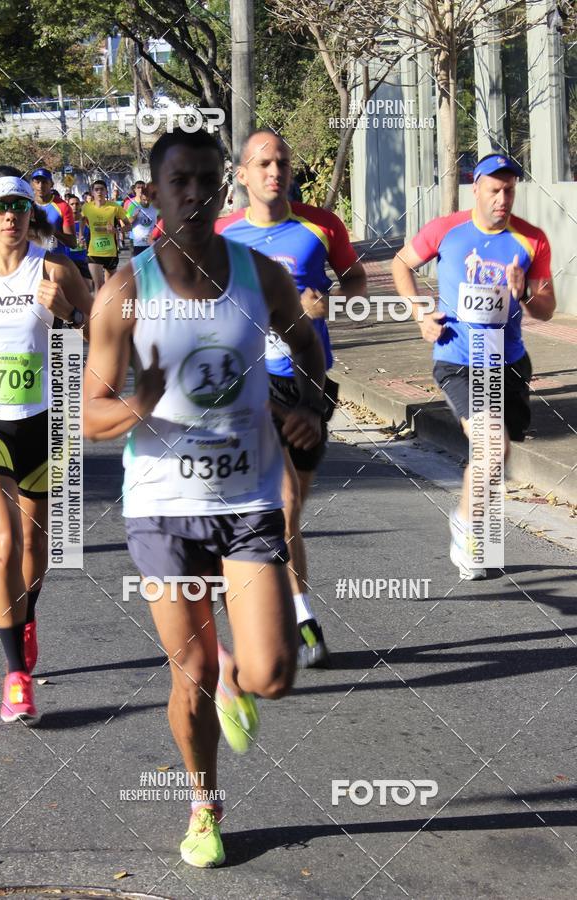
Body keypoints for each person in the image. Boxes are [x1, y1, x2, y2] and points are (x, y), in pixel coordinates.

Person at [83, 128, 325, 867]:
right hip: (162, 506)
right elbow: (91, 412)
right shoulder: (127, 291)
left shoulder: (261, 275)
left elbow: (306, 345)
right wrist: (139, 406)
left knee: (272, 677)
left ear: (222, 189)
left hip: (248, 498)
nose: (191, 193)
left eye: (204, 180)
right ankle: (203, 804)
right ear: (153, 194)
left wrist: (311, 406)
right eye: (177, 181)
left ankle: (236, 682)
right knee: (191, 678)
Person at [216, 129, 367, 667]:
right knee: (280, 503)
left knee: (291, 509)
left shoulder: (319, 227)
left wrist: (328, 303)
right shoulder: (222, 234)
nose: (274, 172)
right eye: (263, 164)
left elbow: (356, 283)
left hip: (309, 381)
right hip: (248, 385)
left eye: (281, 162)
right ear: (242, 175)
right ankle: (300, 619)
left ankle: (270, 593)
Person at [392, 152, 555, 579]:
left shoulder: (532, 239)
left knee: (495, 454)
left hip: (510, 362)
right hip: (457, 359)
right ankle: (470, 531)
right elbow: (401, 263)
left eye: (510, 191)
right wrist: (419, 313)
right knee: (491, 447)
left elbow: (547, 310)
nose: (503, 199)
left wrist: (524, 293)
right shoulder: (447, 230)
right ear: (477, 188)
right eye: (495, 190)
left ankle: (466, 516)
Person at [0, 165, 92, 723]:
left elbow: (104, 333)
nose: (9, 217)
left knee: (35, 551)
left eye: (19, 207)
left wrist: (67, 313)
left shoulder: (54, 267)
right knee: (3, 543)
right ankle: (16, 675)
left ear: (31, 214)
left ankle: (25, 620)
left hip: (46, 423)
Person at [81, 180, 131, 291]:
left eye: (102, 189)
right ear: (92, 192)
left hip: (111, 252)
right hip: (93, 252)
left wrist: (116, 230)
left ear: (106, 191)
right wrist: (81, 235)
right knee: (98, 287)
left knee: (110, 287)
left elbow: (129, 226)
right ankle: (98, 309)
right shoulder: (86, 207)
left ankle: (109, 308)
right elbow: (82, 220)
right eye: (96, 189)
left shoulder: (114, 207)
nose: (99, 192)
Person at [31, 167, 76, 255]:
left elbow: (72, 243)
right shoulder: (27, 205)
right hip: (33, 260)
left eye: (44, 182)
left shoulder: (63, 206)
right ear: (32, 184)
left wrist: (52, 231)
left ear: (51, 184)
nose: (40, 186)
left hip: (56, 261)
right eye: (37, 182)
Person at [66, 194, 93, 289]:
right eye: (72, 204)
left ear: (80, 205)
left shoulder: (86, 221)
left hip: (83, 260)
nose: (75, 206)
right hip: (68, 261)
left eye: (77, 204)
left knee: (88, 288)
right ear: (68, 205)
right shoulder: (64, 222)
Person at [125, 182, 158, 257]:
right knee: (137, 265)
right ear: (140, 199)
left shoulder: (155, 207)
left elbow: (160, 221)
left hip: (150, 242)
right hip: (136, 241)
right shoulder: (133, 206)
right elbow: (126, 222)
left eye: (148, 199)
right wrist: (135, 216)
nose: (146, 201)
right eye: (144, 200)